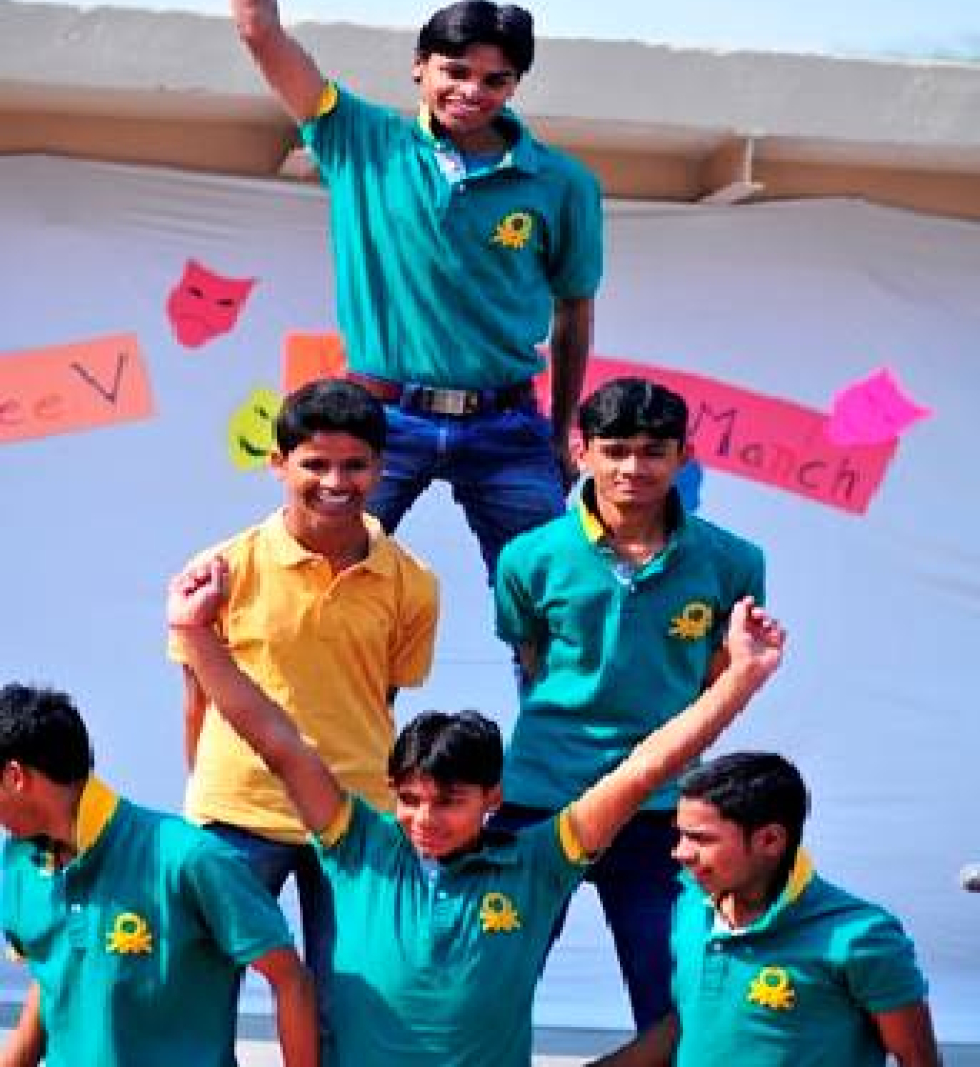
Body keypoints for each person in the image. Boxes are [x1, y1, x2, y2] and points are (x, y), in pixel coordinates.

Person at [168, 543, 784, 1067]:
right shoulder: (359, 846)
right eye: (409, 799)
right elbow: (275, 739)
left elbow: (646, 767)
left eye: (448, 801)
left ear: (493, 797)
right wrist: (193, 633)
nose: (424, 819)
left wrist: (740, 680)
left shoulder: (538, 862)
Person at [224, 0, 603, 580]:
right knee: (326, 591)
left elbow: (574, 310)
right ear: (420, 67)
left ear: (516, 85)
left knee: (556, 602)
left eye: (497, 80)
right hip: (379, 418)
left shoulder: (561, 182)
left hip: (505, 420)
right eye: (456, 71)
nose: (473, 90)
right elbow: (258, 31)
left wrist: (559, 433)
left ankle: (549, 702)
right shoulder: (359, 138)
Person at [170, 377, 438, 1045]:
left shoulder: (414, 582)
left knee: (347, 1003)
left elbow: (382, 695)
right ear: (279, 463)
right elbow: (197, 696)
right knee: (199, 995)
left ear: (381, 466)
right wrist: (204, 799)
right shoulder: (221, 568)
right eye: (314, 463)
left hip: (354, 820)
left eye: (354, 464)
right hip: (237, 814)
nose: (335, 481)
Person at [492, 376, 765, 1030]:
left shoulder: (732, 561)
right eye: (615, 449)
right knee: (492, 974)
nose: (632, 467)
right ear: (581, 450)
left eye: (652, 450)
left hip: (663, 808)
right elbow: (531, 656)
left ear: (683, 454)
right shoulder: (528, 556)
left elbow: (720, 676)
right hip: (541, 797)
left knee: (673, 991)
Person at [0, 683, 316, 1067]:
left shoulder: (188, 858)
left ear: (15, 776)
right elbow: (51, 970)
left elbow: (289, 978)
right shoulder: (17, 863)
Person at [589, 753, 941, 1067]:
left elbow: (917, 1059)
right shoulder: (689, 906)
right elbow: (691, 1020)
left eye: (701, 839)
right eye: (680, 835)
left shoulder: (861, 937)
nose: (680, 852)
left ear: (770, 840)